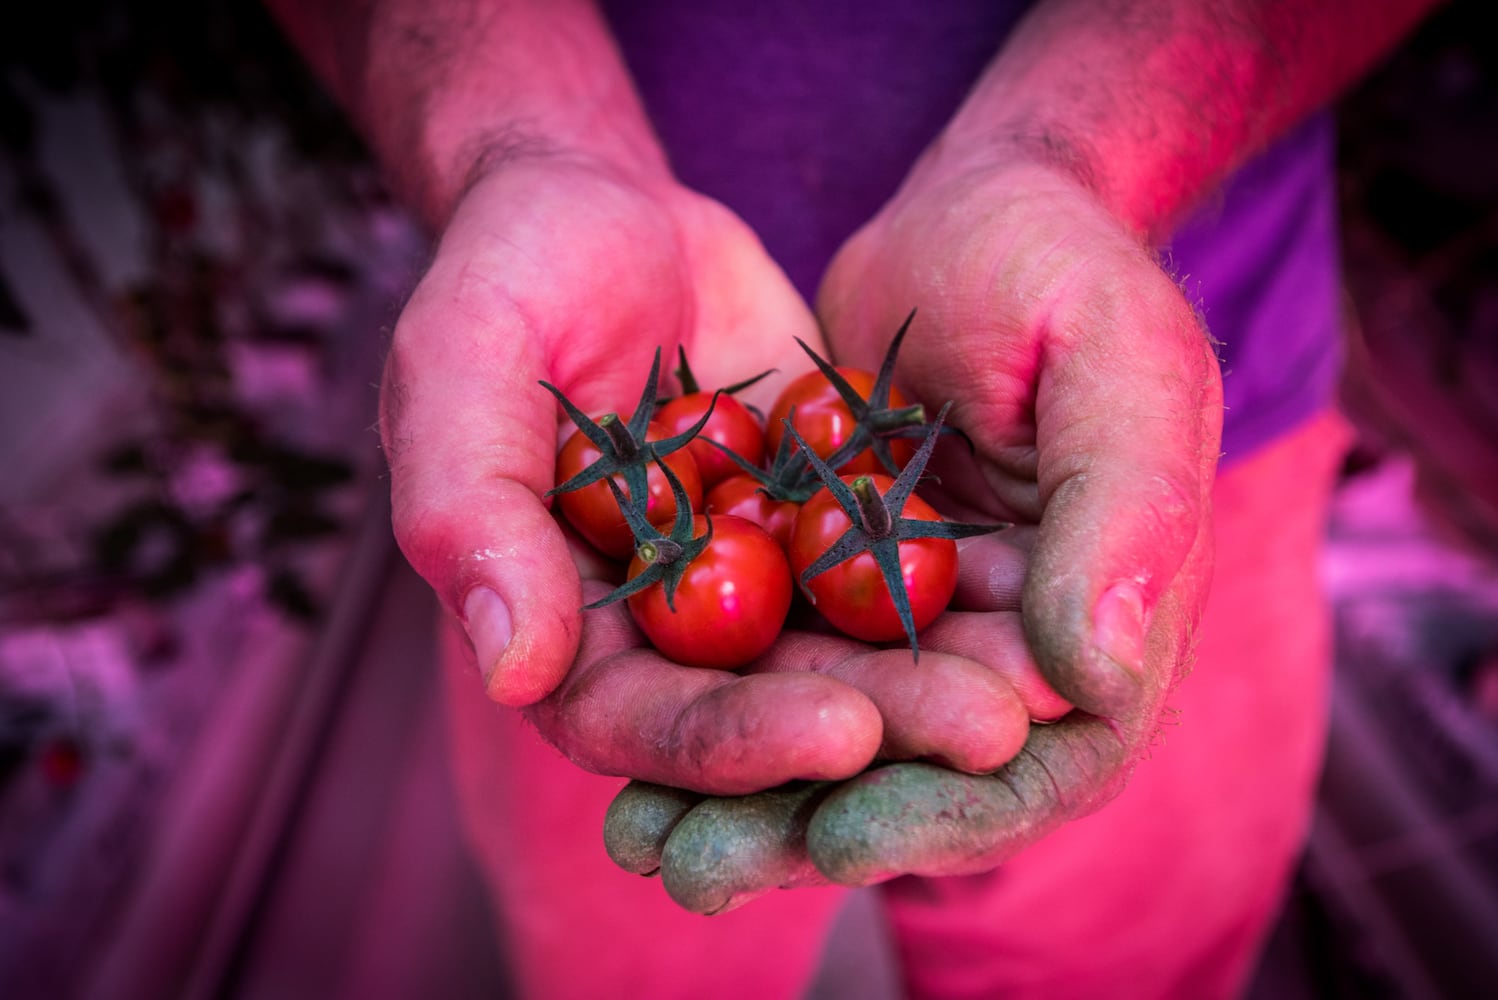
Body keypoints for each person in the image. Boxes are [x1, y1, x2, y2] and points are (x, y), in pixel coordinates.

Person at [265, 1, 1440, 996]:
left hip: (1131, 420)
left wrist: (1071, 159)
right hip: (585, 430)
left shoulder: (731, 507)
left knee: (1123, 957)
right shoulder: (705, 509)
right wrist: (522, 142)